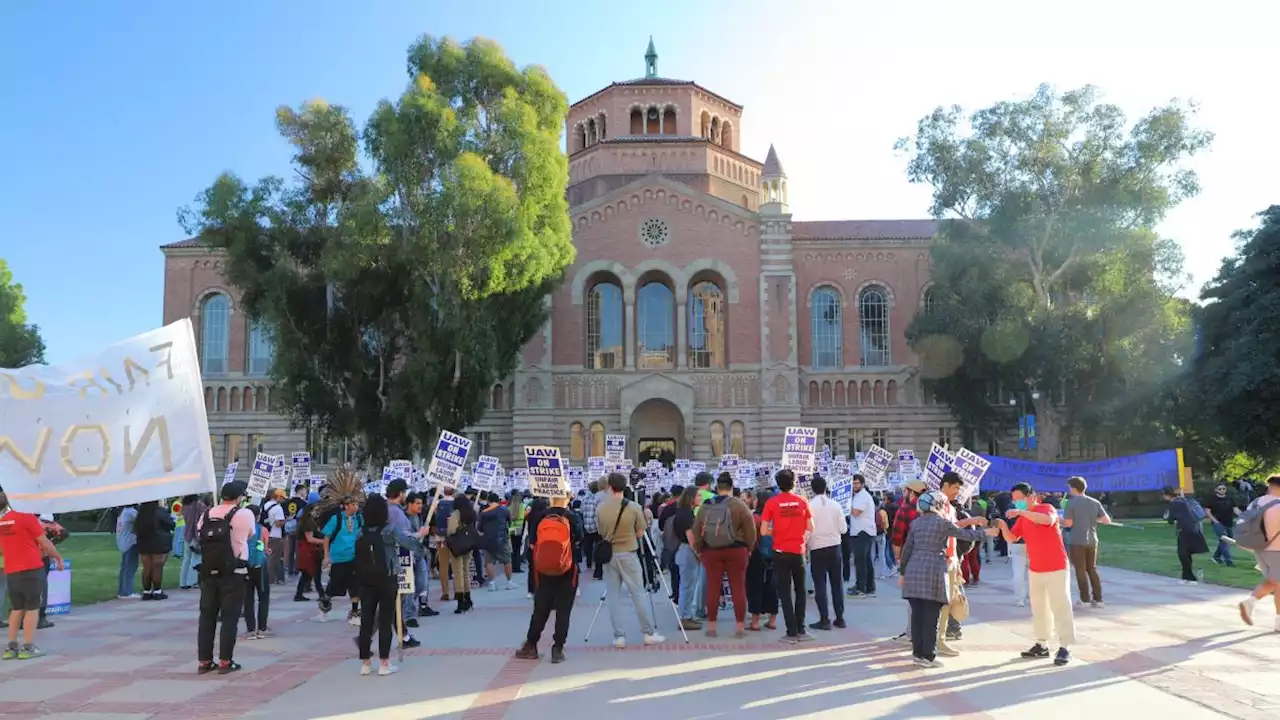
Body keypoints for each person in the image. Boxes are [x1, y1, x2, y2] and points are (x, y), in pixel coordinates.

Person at [899, 491, 995, 668]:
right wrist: (986, 532)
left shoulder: (915, 523)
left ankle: (918, 653)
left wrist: (903, 572)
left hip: (914, 571)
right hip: (934, 570)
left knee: (917, 616)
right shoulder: (942, 523)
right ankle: (928, 656)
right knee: (931, 615)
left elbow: (907, 550)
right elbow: (965, 535)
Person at [994, 482, 1076, 666]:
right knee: (1039, 609)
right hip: (1036, 569)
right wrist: (1001, 526)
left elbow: (1046, 520)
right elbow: (1012, 538)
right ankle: (1042, 644)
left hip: (1056, 567)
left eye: (1019, 499)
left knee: (1060, 606)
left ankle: (1065, 646)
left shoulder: (1046, 508)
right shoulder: (1023, 518)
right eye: (1014, 501)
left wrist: (1021, 512)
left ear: (1031, 495)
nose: (1017, 504)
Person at [356, 494, 432, 676]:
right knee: (385, 620)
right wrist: (421, 538)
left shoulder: (361, 531)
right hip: (387, 578)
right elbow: (409, 543)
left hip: (365, 580)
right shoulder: (389, 530)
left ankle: (365, 663)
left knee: (366, 621)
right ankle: (384, 664)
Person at [596, 472, 665, 648]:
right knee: (638, 593)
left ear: (610, 487)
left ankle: (619, 636)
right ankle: (648, 632)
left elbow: (600, 531)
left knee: (613, 596)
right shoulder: (634, 507)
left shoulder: (601, 507)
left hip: (609, 554)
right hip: (629, 552)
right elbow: (641, 532)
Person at [195, 481, 254, 674]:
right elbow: (250, 535)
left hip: (208, 571)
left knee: (207, 617)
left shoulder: (206, 514)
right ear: (239, 497)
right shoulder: (244, 514)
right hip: (234, 573)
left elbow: (199, 534)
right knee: (229, 618)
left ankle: (204, 661)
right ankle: (225, 661)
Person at [516, 493, 581, 663]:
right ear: (568, 497)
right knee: (563, 610)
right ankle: (557, 649)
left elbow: (532, 543)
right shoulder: (572, 517)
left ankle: (531, 644)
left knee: (541, 608)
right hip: (568, 569)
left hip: (543, 570)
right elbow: (580, 538)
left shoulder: (539, 516)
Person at [690, 472, 757, 638]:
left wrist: (699, 548)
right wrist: (749, 547)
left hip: (711, 551)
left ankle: (712, 627)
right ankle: (740, 627)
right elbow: (751, 529)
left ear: (717, 488)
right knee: (738, 587)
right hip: (737, 550)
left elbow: (697, 529)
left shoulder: (706, 506)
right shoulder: (739, 505)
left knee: (713, 587)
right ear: (731, 488)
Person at [0, 492, 65, 660]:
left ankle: (11, 646)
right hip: (30, 567)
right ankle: (28, 646)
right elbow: (45, 542)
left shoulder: (3, 520)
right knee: (32, 607)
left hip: (11, 569)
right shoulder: (27, 518)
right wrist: (57, 557)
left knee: (16, 608)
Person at [761, 468, 815, 644]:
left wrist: (776, 530)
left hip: (780, 552)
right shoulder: (802, 501)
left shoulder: (771, 503)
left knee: (784, 592)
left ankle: (790, 633)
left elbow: (763, 531)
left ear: (778, 484)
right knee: (800, 591)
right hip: (798, 551)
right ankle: (801, 630)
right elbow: (811, 527)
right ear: (794, 483)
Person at [1061, 476, 1113, 608]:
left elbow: (1068, 523)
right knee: (1092, 569)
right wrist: (1094, 519)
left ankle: (1085, 599)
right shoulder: (1095, 502)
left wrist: (1058, 520)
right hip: (1092, 540)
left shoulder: (1071, 503)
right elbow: (1106, 520)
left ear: (1073, 488)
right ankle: (1098, 599)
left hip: (1077, 540)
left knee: (1080, 569)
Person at [1237, 474, 1280, 630]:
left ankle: (1277, 620)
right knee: (1276, 582)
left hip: (1258, 548)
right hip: (1277, 549)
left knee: (1275, 582)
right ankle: (1250, 602)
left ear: (1269, 486)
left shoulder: (1255, 503)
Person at [806, 475, 847, 631]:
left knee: (820, 584)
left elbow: (807, 530)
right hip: (834, 546)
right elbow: (843, 529)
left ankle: (824, 619)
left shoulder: (809, 506)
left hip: (817, 547)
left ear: (812, 489)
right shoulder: (836, 505)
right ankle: (840, 617)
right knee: (837, 583)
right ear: (825, 488)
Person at [320, 495, 364, 625]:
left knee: (355, 586)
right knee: (334, 586)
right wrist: (326, 556)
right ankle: (325, 605)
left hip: (354, 557)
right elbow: (326, 537)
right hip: (338, 558)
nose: (356, 506)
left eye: (357, 504)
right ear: (346, 506)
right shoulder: (337, 519)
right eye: (353, 504)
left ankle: (355, 613)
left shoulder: (359, 519)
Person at [746, 490, 779, 632]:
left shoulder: (755, 518)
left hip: (757, 555)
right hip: (776, 555)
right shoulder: (778, 517)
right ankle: (772, 620)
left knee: (755, 587)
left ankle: (755, 622)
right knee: (773, 587)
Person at [1163, 487, 1210, 584]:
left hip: (1184, 530)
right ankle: (1186, 576)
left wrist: (1167, 516)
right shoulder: (1184, 500)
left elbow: (1170, 521)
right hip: (1194, 528)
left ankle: (1189, 577)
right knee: (1186, 553)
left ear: (1166, 495)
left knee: (1182, 553)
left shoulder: (1174, 504)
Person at [671, 487, 702, 630]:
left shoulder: (682, 513)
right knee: (687, 586)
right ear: (691, 497)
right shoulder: (687, 515)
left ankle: (687, 615)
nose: (700, 498)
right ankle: (685, 617)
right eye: (698, 496)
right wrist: (699, 554)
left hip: (683, 551)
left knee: (687, 585)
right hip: (687, 552)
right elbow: (691, 539)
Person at [241, 504, 272, 639]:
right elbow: (264, 547)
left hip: (245, 565)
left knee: (247, 598)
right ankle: (262, 628)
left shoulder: (242, 530)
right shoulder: (262, 530)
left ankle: (250, 629)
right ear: (259, 516)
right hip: (260, 565)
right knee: (263, 597)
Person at [135, 500, 175, 600]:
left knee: (147, 567)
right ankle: (157, 591)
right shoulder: (160, 512)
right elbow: (170, 524)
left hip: (144, 542)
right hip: (159, 542)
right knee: (157, 567)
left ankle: (146, 591)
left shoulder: (141, 513)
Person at [447, 494, 479, 613]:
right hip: (468, 544)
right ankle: (468, 598)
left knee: (458, 572)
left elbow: (451, 530)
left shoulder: (456, 513)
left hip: (457, 545)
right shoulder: (472, 512)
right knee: (466, 571)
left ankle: (460, 600)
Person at [846, 474, 877, 598]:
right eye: (853, 483)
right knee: (866, 561)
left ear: (862, 484)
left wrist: (845, 505)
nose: (854, 486)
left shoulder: (862, 496)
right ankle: (869, 587)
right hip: (862, 531)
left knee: (860, 561)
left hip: (862, 532)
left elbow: (856, 512)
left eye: (857, 483)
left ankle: (861, 588)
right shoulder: (858, 496)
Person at [480, 492, 516, 591]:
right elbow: (509, 522)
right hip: (502, 539)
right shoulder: (504, 510)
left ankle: (492, 583)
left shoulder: (484, 512)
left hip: (488, 540)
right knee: (507, 560)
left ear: (488, 501)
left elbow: (480, 527)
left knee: (489, 562)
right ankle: (509, 582)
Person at [1206, 483, 1240, 567]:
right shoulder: (1212, 499)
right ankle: (1229, 561)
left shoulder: (1229, 498)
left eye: (1223, 489)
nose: (1222, 490)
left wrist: (1244, 516)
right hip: (1217, 523)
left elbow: (1235, 509)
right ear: (1216, 490)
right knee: (1224, 540)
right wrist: (1215, 521)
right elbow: (1207, 511)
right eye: (1220, 489)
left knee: (1228, 540)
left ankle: (1216, 557)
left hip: (1229, 522)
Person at [434, 487, 457, 601]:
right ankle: (457, 590)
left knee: (443, 565)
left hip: (440, 537)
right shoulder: (456, 503)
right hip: (454, 537)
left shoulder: (437, 503)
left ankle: (445, 592)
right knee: (456, 564)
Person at [179, 494, 207, 590]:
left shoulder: (185, 506)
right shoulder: (198, 505)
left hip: (187, 534)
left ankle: (183, 581)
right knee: (196, 558)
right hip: (196, 534)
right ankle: (192, 581)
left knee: (186, 558)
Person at [283, 483, 310, 578]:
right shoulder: (304, 503)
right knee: (298, 549)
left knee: (290, 549)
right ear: (301, 490)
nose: (305, 493)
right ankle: (296, 568)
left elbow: (284, 514)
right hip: (299, 528)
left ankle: (289, 568)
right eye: (305, 491)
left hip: (289, 528)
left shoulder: (287, 502)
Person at [115, 504, 140, 599]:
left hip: (123, 543)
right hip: (131, 543)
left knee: (124, 568)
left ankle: (122, 591)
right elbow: (141, 520)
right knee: (130, 568)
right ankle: (127, 592)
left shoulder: (123, 512)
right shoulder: (131, 512)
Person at [263, 489, 287, 584]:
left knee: (268, 556)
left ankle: (271, 578)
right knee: (274, 558)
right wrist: (286, 520)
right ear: (278, 497)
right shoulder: (278, 508)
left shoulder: (265, 505)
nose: (284, 500)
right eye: (283, 498)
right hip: (275, 535)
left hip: (266, 534)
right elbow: (278, 523)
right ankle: (270, 579)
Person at [508, 490, 527, 574]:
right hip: (520, 529)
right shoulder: (523, 506)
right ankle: (517, 567)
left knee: (513, 549)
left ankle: (513, 566)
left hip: (512, 529)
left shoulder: (509, 506)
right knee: (518, 549)